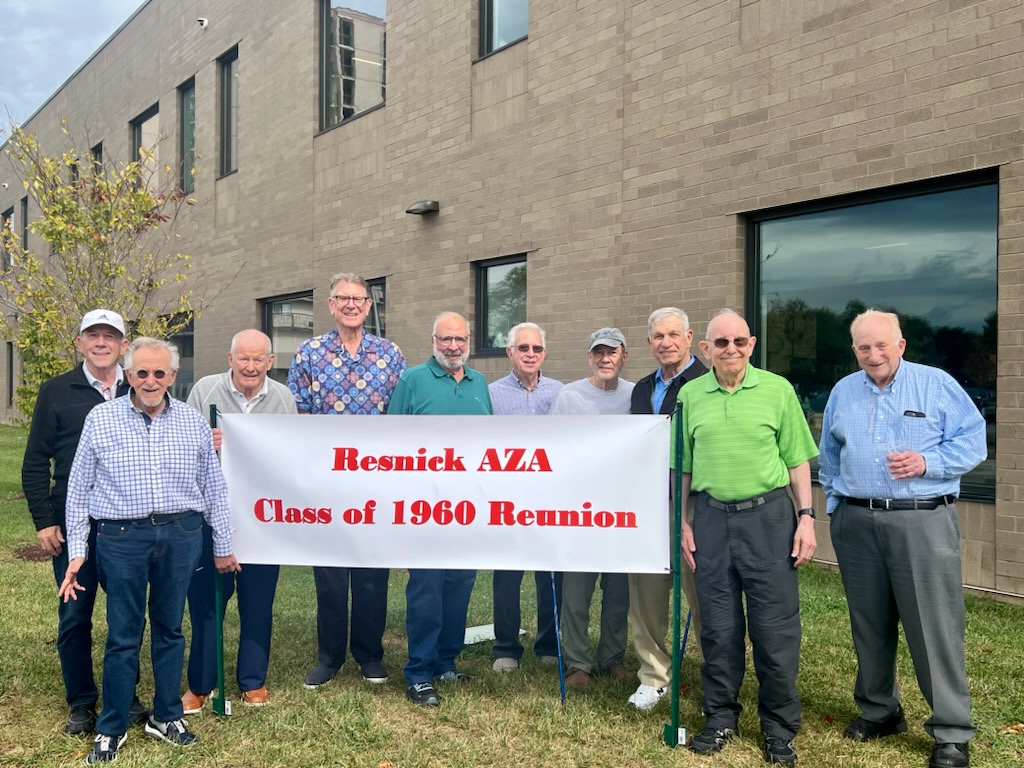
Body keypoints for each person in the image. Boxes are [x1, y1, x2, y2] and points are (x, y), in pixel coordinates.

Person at [59, 337, 239, 764]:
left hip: (182, 534)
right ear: (128, 375)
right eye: (142, 372)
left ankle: (166, 715)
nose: (151, 380)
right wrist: (78, 551)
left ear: (173, 377)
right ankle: (112, 725)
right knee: (123, 634)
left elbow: (213, 486)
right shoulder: (100, 420)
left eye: (160, 373)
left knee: (171, 627)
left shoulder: (192, 422)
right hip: (122, 537)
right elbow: (78, 491)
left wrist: (223, 546)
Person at [818, 310, 986, 768]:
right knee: (868, 624)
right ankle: (880, 710)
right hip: (856, 522)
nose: (874, 355)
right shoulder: (843, 392)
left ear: (901, 345)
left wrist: (928, 463)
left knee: (933, 627)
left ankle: (951, 731)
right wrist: (836, 505)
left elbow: (974, 442)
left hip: (921, 521)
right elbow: (829, 456)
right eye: (863, 347)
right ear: (854, 350)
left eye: (881, 345)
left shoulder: (936, 385)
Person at [675, 309, 817, 766]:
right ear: (705, 349)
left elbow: (797, 460)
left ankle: (778, 728)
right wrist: (683, 521)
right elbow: (683, 466)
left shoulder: (778, 390)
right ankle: (720, 716)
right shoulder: (690, 395)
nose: (730, 349)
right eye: (721, 343)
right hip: (712, 519)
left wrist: (808, 517)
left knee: (774, 629)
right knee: (718, 626)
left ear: (752, 345)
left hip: (769, 518)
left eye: (739, 341)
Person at [21, 309, 148, 735]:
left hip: (127, 525)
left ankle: (124, 695)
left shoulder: (141, 387)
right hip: (72, 523)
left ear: (122, 346)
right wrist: (44, 520)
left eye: (110, 336)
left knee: (127, 615)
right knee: (75, 616)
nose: (101, 342)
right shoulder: (57, 391)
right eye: (92, 335)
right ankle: (81, 701)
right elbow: (36, 460)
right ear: (79, 343)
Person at [288, 272, 406, 689]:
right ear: (331, 305)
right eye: (343, 298)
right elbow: (299, 413)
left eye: (359, 298)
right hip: (328, 479)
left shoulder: (390, 353)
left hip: (378, 480)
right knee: (332, 574)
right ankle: (330, 657)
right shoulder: (309, 352)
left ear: (369, 306)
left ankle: (370, 655)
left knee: (373, 572)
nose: (352, 304)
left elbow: (402, 415)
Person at [181, 329, 298, 713]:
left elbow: (292, 454)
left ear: (269, 362)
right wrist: (206, 443)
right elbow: (181, 445)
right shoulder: (204, 391)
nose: (250, 366)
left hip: (261, 519)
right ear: (230, 359)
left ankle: (252, 681)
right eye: (242, 358)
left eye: (258, 359)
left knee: (257, 602)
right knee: (206, 604)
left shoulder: (282, 398)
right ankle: (200, 684)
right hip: (208, 517)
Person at [387, 311, 493, 706]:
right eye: (445, 339)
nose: (453, 347)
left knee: (460, 585)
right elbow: (391, 443)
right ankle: (418, 672)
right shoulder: (411, 380)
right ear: (433, 340)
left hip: (468, 508)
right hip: (423, 508)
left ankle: (446, 660)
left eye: (460, 340)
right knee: (426, 589)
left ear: (468, 341)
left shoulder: (480, 383)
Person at [627, 307, 706, 711]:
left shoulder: (709, 383)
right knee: (646, 595)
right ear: (649, 342)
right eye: (658, 336)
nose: (666, 343)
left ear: (690, 337)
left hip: (694, 506)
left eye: (674, 334)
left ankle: (716, 675)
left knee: (706, 594)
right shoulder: (642, 389)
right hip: (648, 505)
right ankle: (654, 675)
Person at [549, 327, 634, 688]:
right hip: (580, 512)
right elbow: (552, 449)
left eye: (612, 352)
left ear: (623, 356)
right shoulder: (569, 397)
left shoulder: (636, 395)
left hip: (623, 510)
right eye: (598, 352)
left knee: (619, 592)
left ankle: (612, 658)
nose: (605, 359)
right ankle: (578, 663)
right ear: (589, 357)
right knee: (576, 593)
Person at [488, 322, 564, 673]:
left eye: (536, 349)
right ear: (510, 352)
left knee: (551, 574)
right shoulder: (491, 394)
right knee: (506, 575)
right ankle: (506, 647)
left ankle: (549, 643)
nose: (530, 354)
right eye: (523, 348)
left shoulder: (562, 394)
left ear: (544, 353)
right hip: (508, 499)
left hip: (550, 498)